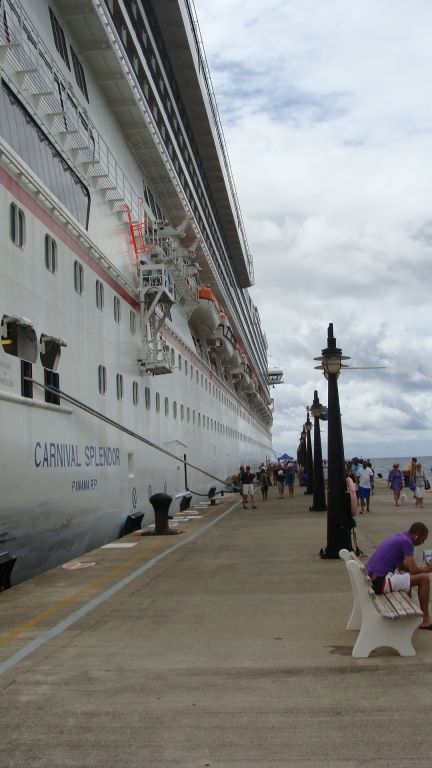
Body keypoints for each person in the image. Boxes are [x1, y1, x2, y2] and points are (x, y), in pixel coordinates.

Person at [366, 522, 432, 629]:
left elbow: (401, 565)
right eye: (422, 539)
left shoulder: (400, 537)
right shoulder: (407, 542)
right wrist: (427, 569)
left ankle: (408, 616)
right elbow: (414, 570)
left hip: (373, 579)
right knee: (424, 578)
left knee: (405, 577)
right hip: (379, 581)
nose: (422, 542)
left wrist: (420, 569)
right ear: (417, 536)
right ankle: (426, 620)